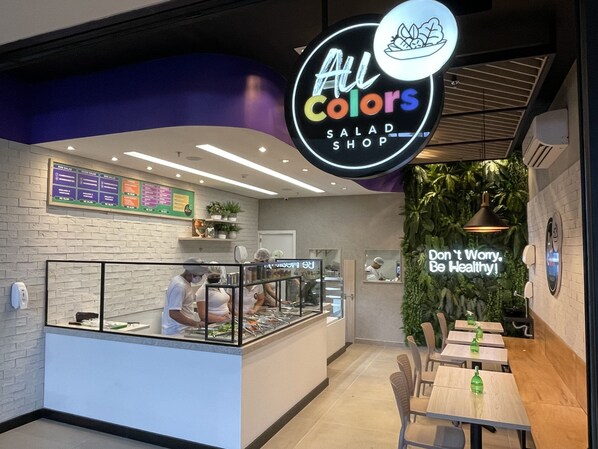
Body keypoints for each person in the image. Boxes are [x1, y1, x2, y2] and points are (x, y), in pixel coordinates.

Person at [161, 257, 209, 335]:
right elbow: (174, 313)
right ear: (190, 273)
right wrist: (196, 323)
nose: (200, 278)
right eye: (199, 275)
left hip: (184, 329)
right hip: (177, 332)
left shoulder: (183, 282)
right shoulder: (180, 286)